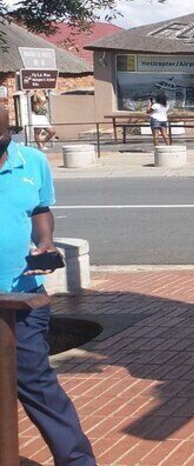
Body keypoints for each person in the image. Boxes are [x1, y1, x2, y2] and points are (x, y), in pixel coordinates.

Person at [0, 105, 96, 465]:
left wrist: (46, 241)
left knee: (37, 384)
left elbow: (40, 207)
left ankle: (76, 461)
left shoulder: (32, 161)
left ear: (11, 131)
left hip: (23, 297)